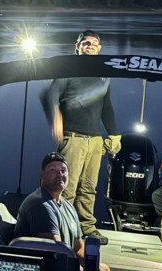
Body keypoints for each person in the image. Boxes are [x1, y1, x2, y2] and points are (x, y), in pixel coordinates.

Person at [41, 30, 121, 245]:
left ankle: (87, 227)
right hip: (73, 138)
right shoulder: (67, 69)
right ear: (77, 47)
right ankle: (62, 229)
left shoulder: (103, 73)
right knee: (65, 187)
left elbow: (107, 106)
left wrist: (114, 134)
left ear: (99, 48)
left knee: (89, 188)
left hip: (95, 140)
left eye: (94, 43)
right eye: (85, 43)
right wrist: (55, 119)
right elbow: (51, 96)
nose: (89, 46)